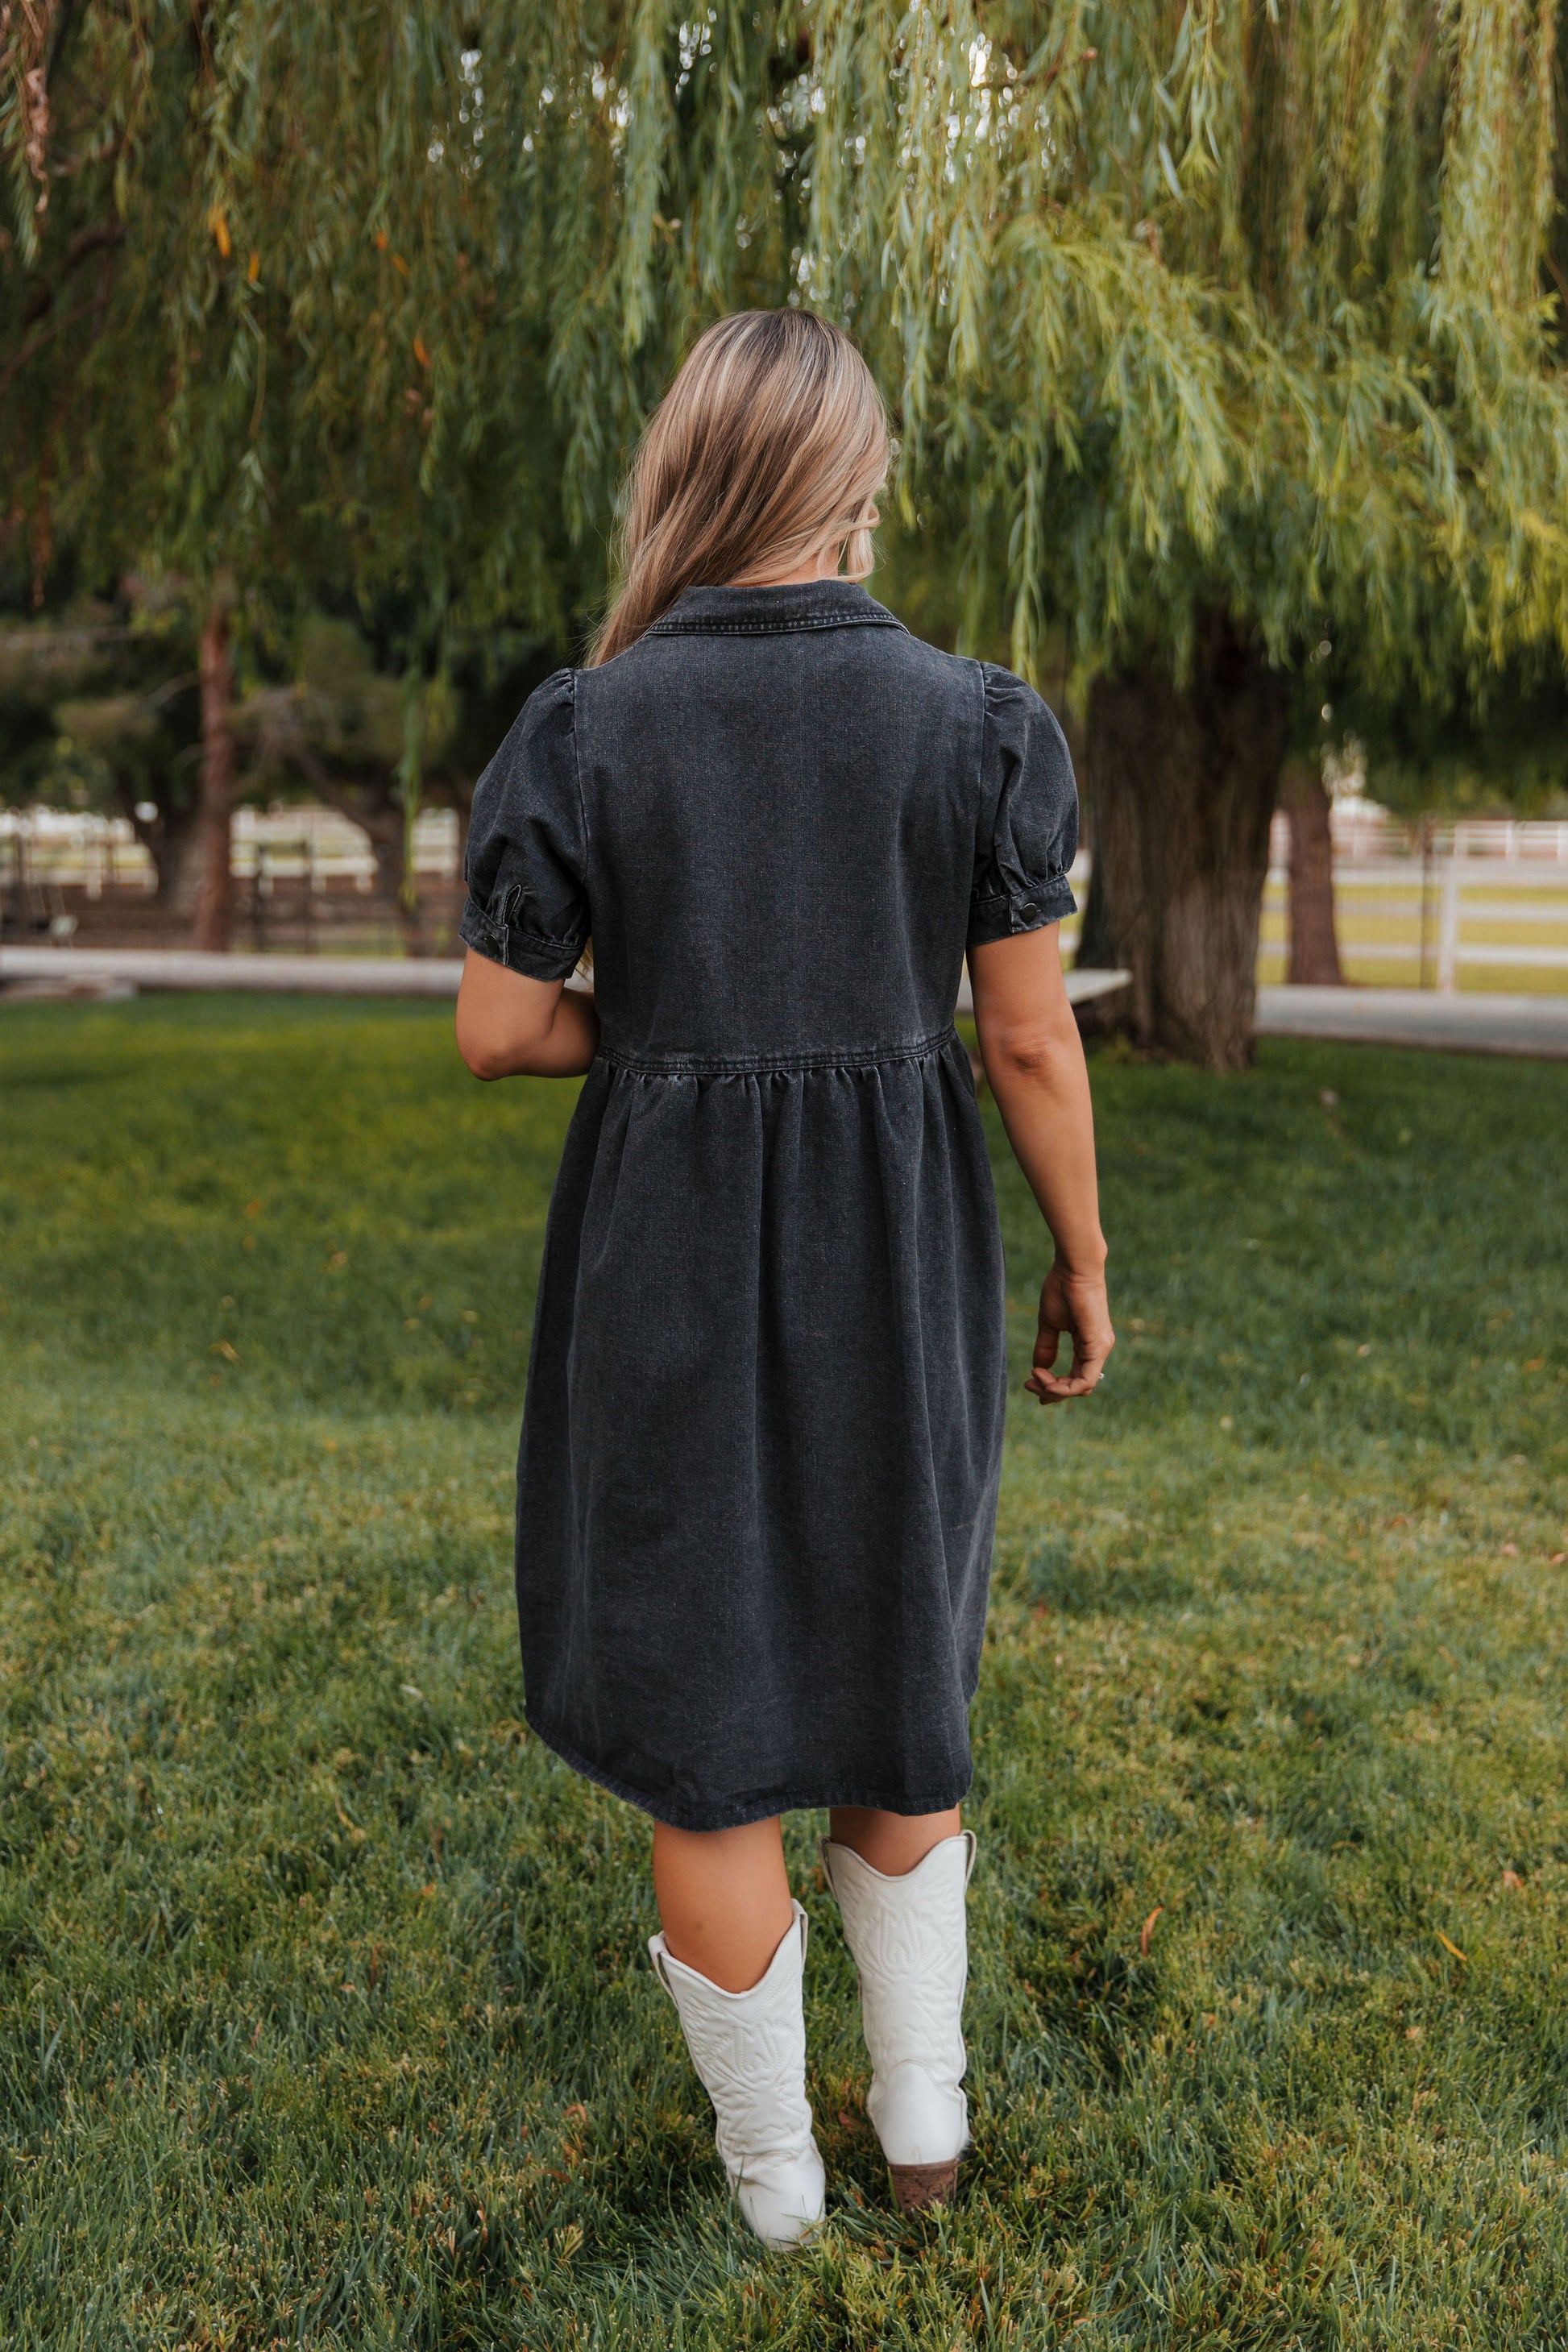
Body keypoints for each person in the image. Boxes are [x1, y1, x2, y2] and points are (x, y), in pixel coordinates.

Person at [454, 309, 1113, 2246]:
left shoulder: (587, 724)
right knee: (895, 1673)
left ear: (690, 472)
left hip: (661, 1262)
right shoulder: (978, 723)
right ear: (852, 480)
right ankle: (924, 2132)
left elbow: (497, 1027)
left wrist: (669, 1041)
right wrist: (1081, 1255)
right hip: (899, 1255)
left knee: (710, 1731)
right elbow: (1028, 1038)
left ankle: (776, 2196)